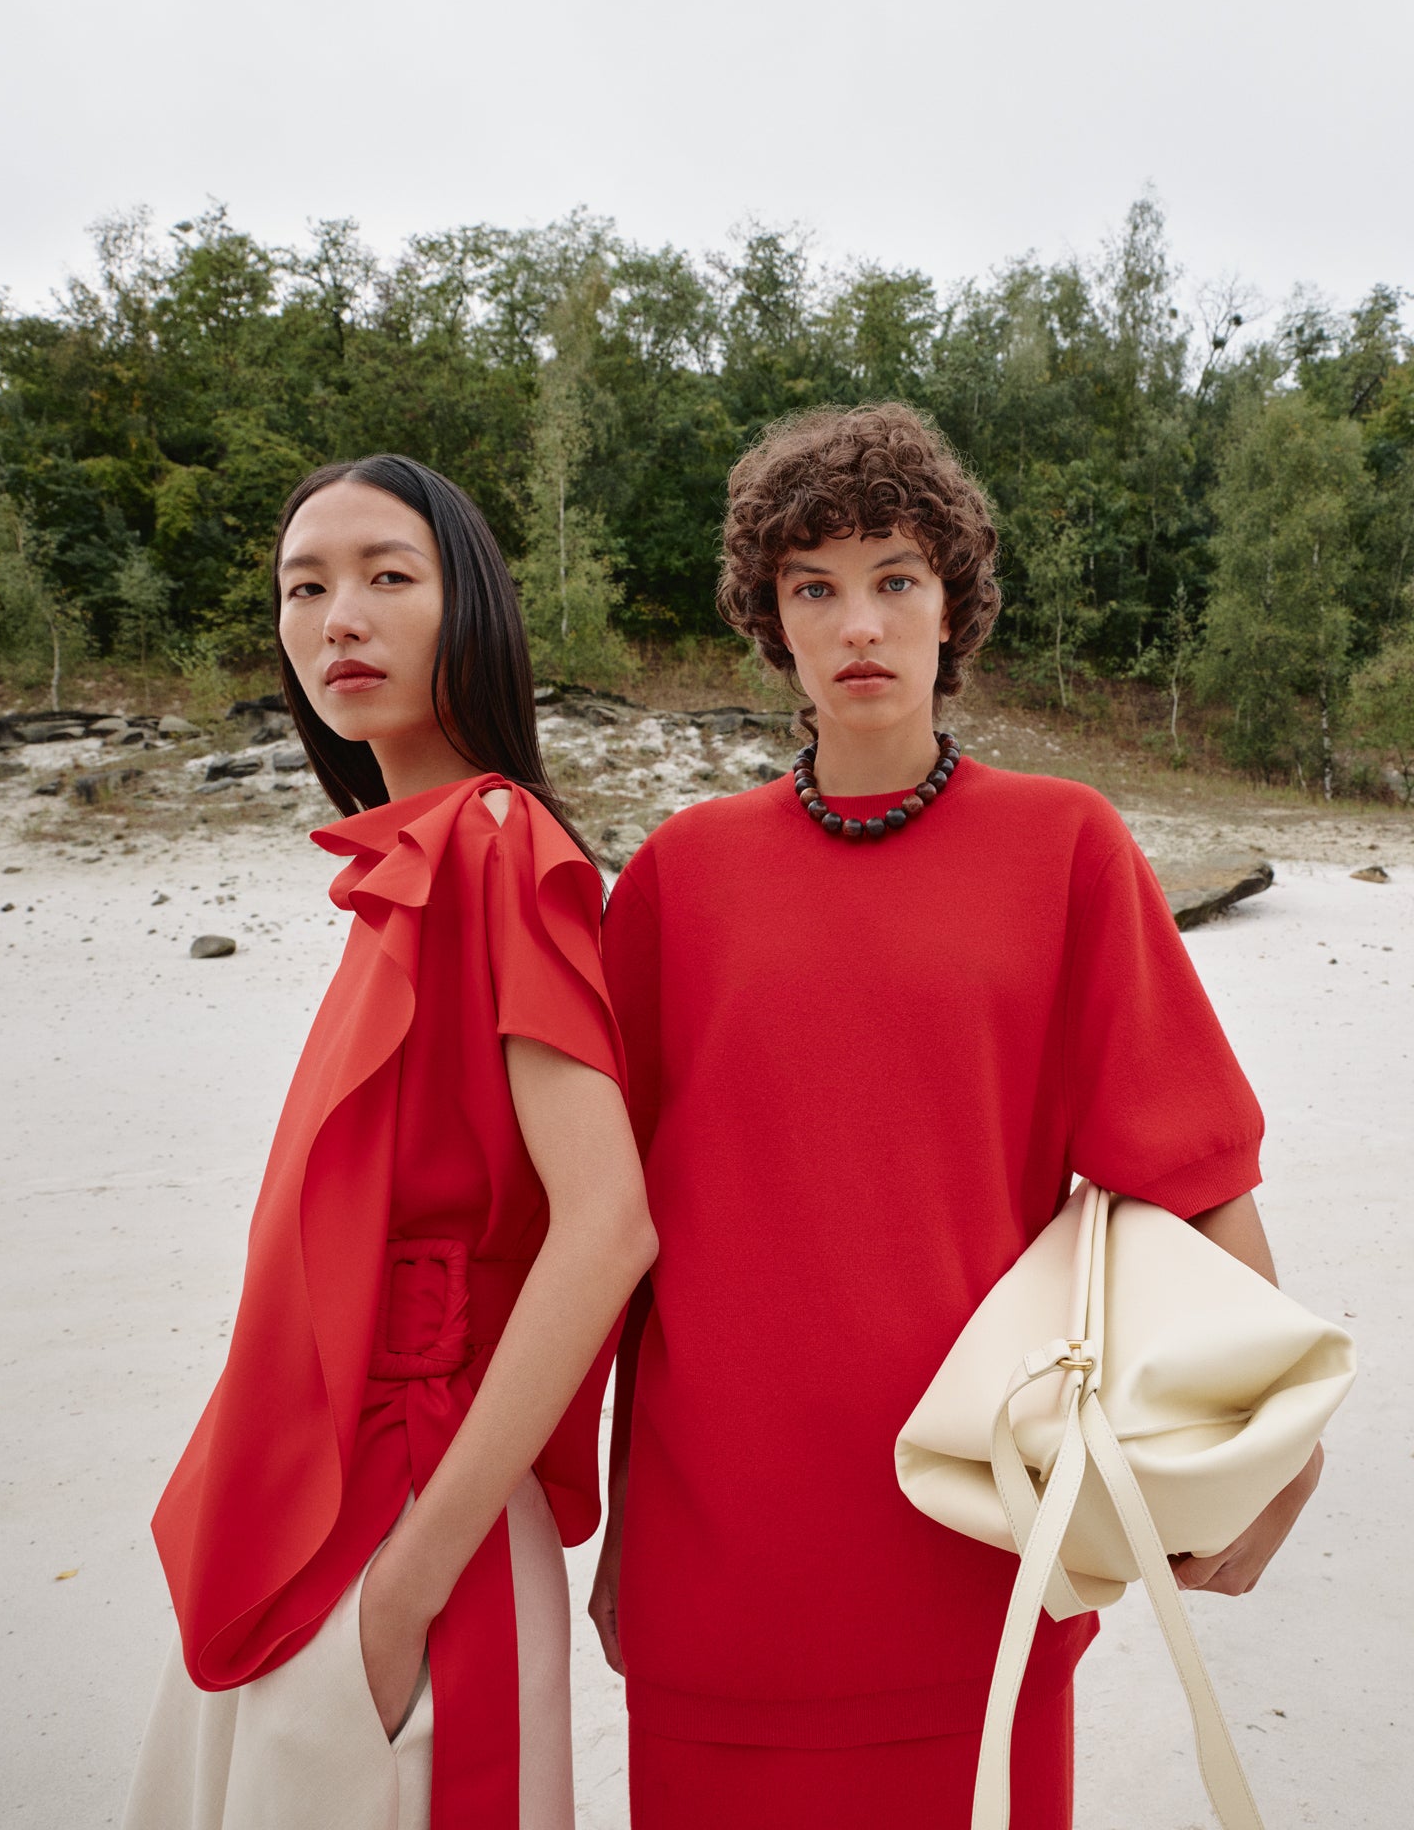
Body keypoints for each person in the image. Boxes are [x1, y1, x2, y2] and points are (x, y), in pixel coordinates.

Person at [588, 403, 1322, 1829]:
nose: (858, 621)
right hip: (718, 1549)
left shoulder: (1065, 847)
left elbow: (1189, 1166)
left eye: (895, 578)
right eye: (816, 587)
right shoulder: (679, 879)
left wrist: (1278, 1438)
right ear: (772, 620)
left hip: (976, 1527)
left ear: (953, 607)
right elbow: (616, 1250)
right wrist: (622, 1527)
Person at [123, 455, 657, 1830]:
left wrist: (412, 1581)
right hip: (325, 1495)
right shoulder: (415, 862)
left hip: (408, 1519)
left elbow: (608, 1225)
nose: (338, 619)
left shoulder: (493, 842)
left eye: (386, 577)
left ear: (466, 606)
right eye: (307, 588)